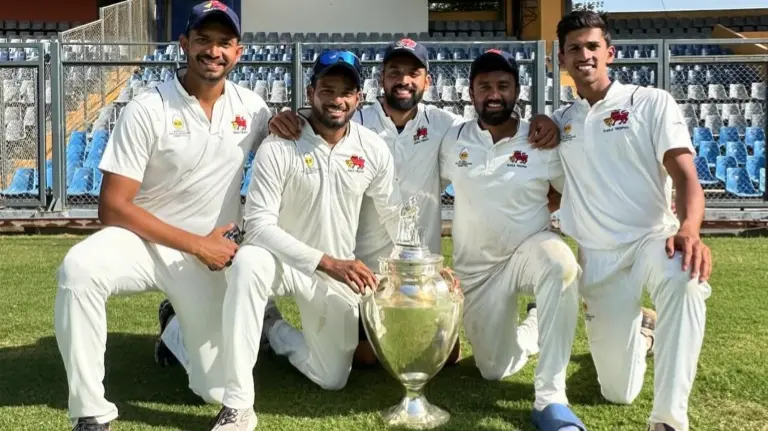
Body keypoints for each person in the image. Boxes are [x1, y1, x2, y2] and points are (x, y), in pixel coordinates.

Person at [267, 38, 563, 366]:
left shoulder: (446, 127)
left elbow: (495, 145)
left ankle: (531, 325)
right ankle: (275, 328)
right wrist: (286, 118)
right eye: (394, 71)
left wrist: (541, 121)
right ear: (381, 79)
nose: (403, 80)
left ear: (427, 81)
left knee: (445, 359)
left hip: (421, 269)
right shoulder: (356, 122)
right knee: (365, 360)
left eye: (413, 72)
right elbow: (318, 121)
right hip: (367, 269)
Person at [53, 2, 271, 430]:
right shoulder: (147, 107)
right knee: (78, 268)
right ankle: (90, 413)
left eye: (224, 43)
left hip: (204, 258)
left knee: (214, 390)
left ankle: (173, 329)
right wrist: (197, 244)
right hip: (143, 241)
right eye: (203, 40)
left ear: (238, 52)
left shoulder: (255, 109)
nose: (213, 51)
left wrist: (291, 125)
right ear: (184, 43)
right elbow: (112, 207)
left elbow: (282, 158)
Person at [207, 50, 404, 430]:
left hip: (333, 270)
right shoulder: (281, 144)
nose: (336, 99)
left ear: (358, 99)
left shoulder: (372, 148)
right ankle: (238, 404)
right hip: (280, 262)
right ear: (311, 91)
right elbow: (259, 225)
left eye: (346, 91)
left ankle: (274, 328)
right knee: (249, 262)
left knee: (332, 378)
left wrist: (419, 266)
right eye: (327, 89)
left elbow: (393, 213)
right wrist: (327, 261)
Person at [552, 11, 712, 431]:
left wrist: (689, 230)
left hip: (652, 241)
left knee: (684, 276)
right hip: (598, 257)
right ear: (561, 59)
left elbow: (685, 176)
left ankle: (669, 419)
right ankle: (645, 333)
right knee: (617, 392)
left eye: (592, 46)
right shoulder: (562, 121)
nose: (584, 55)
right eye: (574, 48)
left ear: (610, 52)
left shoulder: (651, 101)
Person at [438, 49, 585, 431]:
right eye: (484, 85)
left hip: (528, 249)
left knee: (560, 264)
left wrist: (546, 199)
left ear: (517, 91)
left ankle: (551, 398)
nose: (494, 93)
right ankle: (535, 323)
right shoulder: (452, 139)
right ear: (470, 92)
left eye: (503, 85)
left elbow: (571, 190)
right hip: (478, 270)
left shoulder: (541, 139)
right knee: (493, 369)